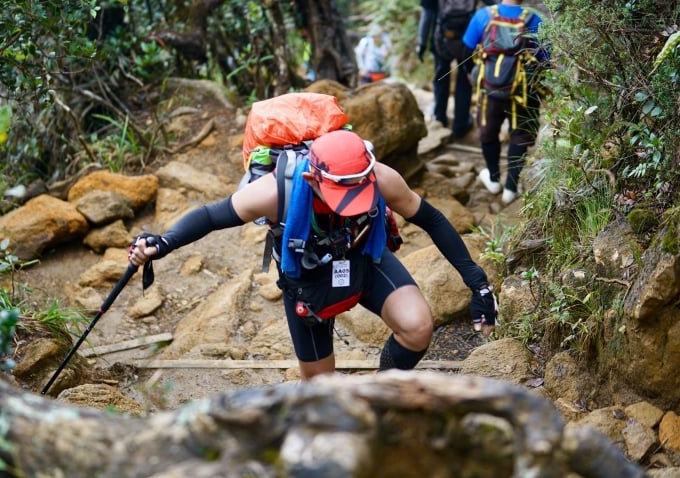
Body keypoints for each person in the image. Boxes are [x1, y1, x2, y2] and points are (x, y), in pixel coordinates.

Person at [129, 129, 497, 381]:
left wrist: (478, 285)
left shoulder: (380, 177)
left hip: (363, 255)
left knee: (417, 328)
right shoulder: (276, 191)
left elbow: (430, 218)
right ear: (312, 180)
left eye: (360, 197)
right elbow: (211, 215)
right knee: (322, 388)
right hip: (306, 279)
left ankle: (382, 396)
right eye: (343, 199)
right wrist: (162, 243)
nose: (353, 206)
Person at [462, 0, 549, 205]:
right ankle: (511, 187)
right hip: (524, 90)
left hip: (489, 89)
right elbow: (546, 59)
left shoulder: (483, 16)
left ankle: (493, 179)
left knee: (488, 132)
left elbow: (466, 52)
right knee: (520, 135)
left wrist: (473, 75)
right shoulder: (536, 19)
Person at [417, 0, 495, 139]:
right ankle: (460, 124)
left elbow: (427, 16)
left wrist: (422, 43)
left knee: (441, 77)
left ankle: (440, 119)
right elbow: (491, 6)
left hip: (442, 39)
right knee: (464, 79)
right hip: (469, 39)